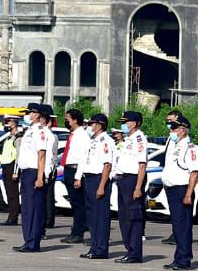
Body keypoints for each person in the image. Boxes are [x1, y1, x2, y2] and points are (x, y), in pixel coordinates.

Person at [161, 114, 198, 271]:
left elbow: (194, 172)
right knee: (177, 226)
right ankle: (179, 257)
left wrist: (189, 194)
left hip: (182, 190)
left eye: (174, 128)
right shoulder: (174, 145)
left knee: (183, 226)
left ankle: (184, 259)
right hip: (172, 190)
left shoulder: (189, 148)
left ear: (183, 130)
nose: (171, 130)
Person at [14, 105, 53, 253]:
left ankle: (33, 243)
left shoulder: (40, 131)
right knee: (26, 209)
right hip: (26, 172)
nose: (27, 115)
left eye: (29, 113)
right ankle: (27, 240)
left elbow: (41, 154)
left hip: (35, 172)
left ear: (37, 114)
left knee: (34, 209)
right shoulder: (29, 131)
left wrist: (40, 176)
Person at [77, 113, 115, 259]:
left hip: (99, 179)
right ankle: (94, 247)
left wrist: (101, 186)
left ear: (98, 125)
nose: (89, 126)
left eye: (91, 124)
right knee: (92, 216)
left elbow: (107, 165)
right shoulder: (93, 140)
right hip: (90, 178)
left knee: (100, 216)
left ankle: (101, 249)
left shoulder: (106, 141)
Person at [113, 111, 149, 263]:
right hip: (122, 179)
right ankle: (129, 250)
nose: (124, 125)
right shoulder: (129, 139)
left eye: (126, 122)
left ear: (134, 123)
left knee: (133, 217)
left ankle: (135, 252)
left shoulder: (139, 139)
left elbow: (142, 165)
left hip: (132, 180)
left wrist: (138, 187)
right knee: (124, 217)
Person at [60, 109, 90, 244]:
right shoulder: (73, 134)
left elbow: (83, 157)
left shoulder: (82, 135)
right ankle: (75, 230)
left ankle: (79, 232)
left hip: (75, 170)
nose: (66, 121)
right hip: (68, 169)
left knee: (78, 204)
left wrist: (78, 177)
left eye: (68, 119)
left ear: (75, 120)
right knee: (74, 203)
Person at [0, 115, 20, 227]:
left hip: (12, 166)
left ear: (14, 123)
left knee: (13, 193)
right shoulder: (9, 137)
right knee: (8, 193)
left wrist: (16, 171)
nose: (6, 124)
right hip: (5, 166)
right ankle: (10, 216)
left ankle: (13, 217)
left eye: (8, 121)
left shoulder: (18, 137)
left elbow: (18, 156)